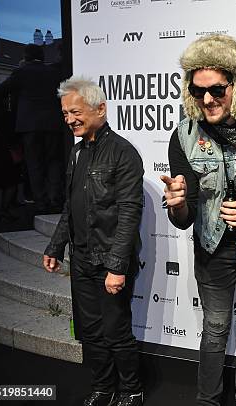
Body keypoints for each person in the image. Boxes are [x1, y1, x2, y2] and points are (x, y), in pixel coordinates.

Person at [160, 34, 236, 406]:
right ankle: (208, 400)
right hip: (212, 247)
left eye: (217, 90)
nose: (207, 100)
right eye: (198, 90)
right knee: (216, 327)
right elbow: (184, 219)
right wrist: (176, 203)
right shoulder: (184, 136)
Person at [43, 76, 144, 406]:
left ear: (100, 108)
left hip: (109, 261)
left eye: (75, 112)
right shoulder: (75, 153)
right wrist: (56, 246)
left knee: (115, 330)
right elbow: (70, 208)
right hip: (82, 259)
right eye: (65, 114)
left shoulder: (124, 154)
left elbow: (129, 214)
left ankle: (131, 390)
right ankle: (104, 388)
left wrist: (117, 267)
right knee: (91, 331)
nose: (69, 119)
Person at [0, 43, 65, 214]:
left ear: (26, 57)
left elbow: (2, 90)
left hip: (30, 126)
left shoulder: (21, 72)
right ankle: (55, 200)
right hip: (53, 124)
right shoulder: (53, 73)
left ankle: (41, 202)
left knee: (34, 164)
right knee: (54, 162)